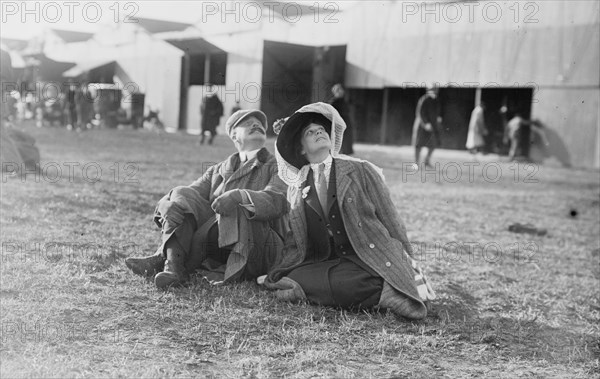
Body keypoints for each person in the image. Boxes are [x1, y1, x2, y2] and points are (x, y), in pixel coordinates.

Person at [260, 102, 435, 319]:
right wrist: (281, 269)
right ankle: (331, 288)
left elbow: (392, 220)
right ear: (301, 148)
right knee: (297, 275)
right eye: (310, 132)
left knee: (348, 283)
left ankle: (386, 290)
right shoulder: (297, 187)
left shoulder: (361, 170)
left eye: (322, 130)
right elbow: (295, 239)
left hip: (368, 258)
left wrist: (410, 267)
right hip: (332, 262)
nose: (319, 133)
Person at [126, 109, 289, 288]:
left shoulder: (276, 166)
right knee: (181, 194)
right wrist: (164, 204)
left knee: (232, 209)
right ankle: (173, 267)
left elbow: (277, 201)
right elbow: (187, 195)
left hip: (256, 244)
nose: (256, 125)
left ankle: (162, 258)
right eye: (247, 123)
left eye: (259, 125)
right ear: (234, 135)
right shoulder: (218, 169)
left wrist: (239, 196)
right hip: (214, 242)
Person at [413, 86, 442, 168]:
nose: (435, 92)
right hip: (422, 126)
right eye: (434, 90)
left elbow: (437, 112)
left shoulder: (436, 100)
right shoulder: (424, 99)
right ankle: (416, 163)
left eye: (436, 90)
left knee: (433, 144)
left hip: (432, 126)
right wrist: (425, 124)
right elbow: (420, 113)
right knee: (418, 145)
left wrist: (438, 118)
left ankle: (427, 161)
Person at [328, 83, 354, 155]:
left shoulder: (345, 101)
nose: (340, 92)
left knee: (347, 142)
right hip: (338, 124)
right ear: (335, 92)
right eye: (338, 90)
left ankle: (346, 154)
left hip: (346, 123)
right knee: (339, 142)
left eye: (341, 90)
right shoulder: (333, 102)